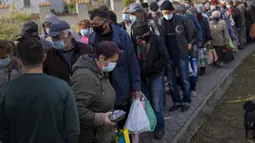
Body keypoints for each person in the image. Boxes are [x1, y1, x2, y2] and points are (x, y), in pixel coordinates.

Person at [0, 38, 80, 143]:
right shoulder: (62, 87)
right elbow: (73, 129)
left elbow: (3, 130)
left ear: (19, 62)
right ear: (44, 58)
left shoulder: (6, 90)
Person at [89, 9, 141, 127]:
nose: (93, 27)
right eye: (91, 24)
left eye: (96, 24)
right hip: (102, 88)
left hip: (120, 86)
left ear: (106, 22)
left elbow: (132, 62)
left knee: (123, 123)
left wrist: (136, 87)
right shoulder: (93, 38)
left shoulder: (122, 36)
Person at [71, 41, 121, 143]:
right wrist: (101, 118)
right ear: (102, 58)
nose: (115, 64)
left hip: (104, 134)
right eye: (113, 61)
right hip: (93, 136)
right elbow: (76, 109)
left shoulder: (99, 70)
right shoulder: (84, 77)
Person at [132, 21, 169, 139]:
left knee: (157, 104)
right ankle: (150, 124)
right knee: (147, 104)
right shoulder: (135, 42)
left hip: (155, 76)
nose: (140, 38)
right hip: (142, 78)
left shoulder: (157, 40)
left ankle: (159, 127)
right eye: (138, 36)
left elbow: (164, 57)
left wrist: (153, 67)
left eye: (143, 35)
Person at [159, 1, 196, 112]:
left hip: (181, 55)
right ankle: (176, 101)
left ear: (172, 11)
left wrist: (190, 43)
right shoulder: (161, 23)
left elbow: (193, 33)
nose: (166, 14)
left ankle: (186, 101)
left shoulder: (182, 20)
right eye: (164, 13)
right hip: (169, 57)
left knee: (184, 79)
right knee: (171, 81)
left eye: (168, 12)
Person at [191, 6, 212, 75]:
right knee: (196, 56)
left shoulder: (203, 19)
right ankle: (197, 68)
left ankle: (203, 68)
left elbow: (207, 29)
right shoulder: (191, 19)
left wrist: (209, 39)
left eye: (194, 13)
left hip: (202, 39)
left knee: (202, 55)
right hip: (195, 40)